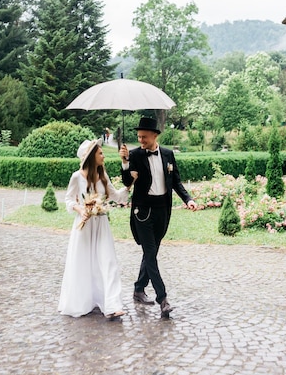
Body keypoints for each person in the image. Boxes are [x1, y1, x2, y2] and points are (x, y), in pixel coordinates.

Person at [119, 117, 197, 318]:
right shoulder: (134, 155)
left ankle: (138, 289)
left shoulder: (168, 155)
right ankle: (163, 299)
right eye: (138, 137)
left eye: (144, 137)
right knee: (151, 253)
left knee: (151, 252)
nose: (141, 140)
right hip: (143, 212)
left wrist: (188, 199)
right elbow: (127, 182)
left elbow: (176, 182)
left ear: (155, 135)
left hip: (162, 210)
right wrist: (125, 162)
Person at [58, 138, 130, 320]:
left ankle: (112, 305)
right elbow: (68, 199)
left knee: (108, 262)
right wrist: (81, 209)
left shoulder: (103, 176)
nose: (103, 155)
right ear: (91, 156)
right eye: (100, 153)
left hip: (102, 225)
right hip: (84, 226)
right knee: (83, 263)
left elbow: (116, 196)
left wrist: (130, 184)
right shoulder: (77, 177)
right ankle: (84, 300)